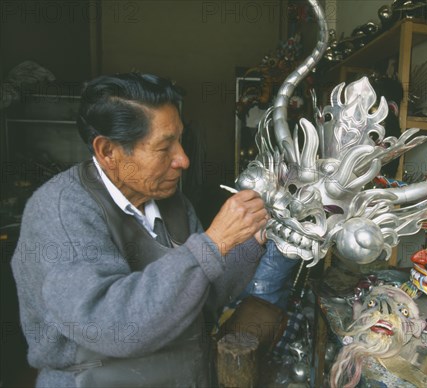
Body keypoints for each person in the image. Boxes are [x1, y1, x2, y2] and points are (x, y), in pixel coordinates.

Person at [10, 73, 268, 387]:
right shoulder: (61, 211)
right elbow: (111, 325)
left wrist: (250, 238)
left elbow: (204, 297)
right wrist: (214, 243)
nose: (183, 160)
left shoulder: (172, 202)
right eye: (164, 148)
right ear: (108, 152)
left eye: (180, 141)